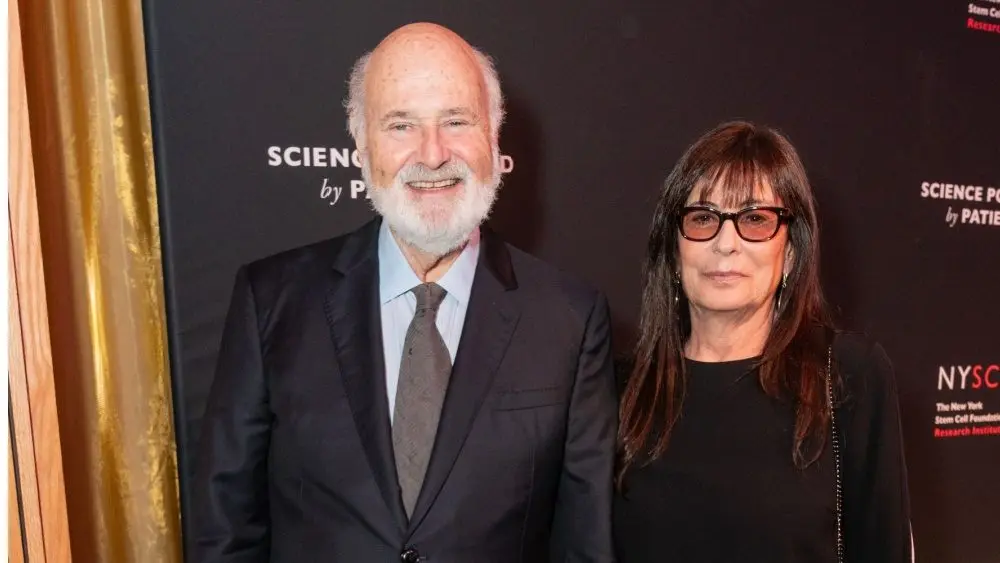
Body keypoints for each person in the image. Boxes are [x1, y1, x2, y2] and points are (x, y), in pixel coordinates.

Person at [191, 22, 617, 563]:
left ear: (493, 136)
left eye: (456, 121)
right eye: (401, 125)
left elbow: (584, 543)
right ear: (363, 147)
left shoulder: (571, 320)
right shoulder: (271, 301)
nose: (433, 154)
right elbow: (226, 529)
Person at [613, 121, 912, 563]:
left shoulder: (849, 374)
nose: (725, 243)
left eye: (755, 219)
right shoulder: (619, 387)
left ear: (791, 252)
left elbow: (882, 547)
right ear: (674, 251)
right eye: (703, 218)